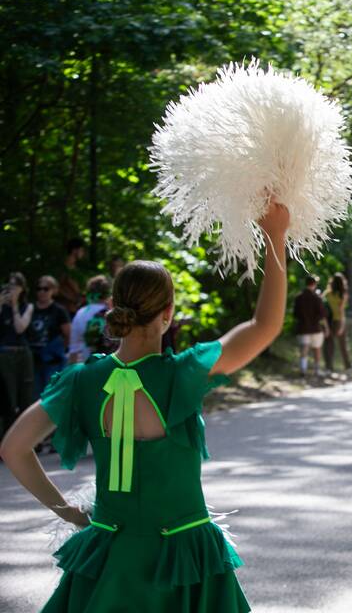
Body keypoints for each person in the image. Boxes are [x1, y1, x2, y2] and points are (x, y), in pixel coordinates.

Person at [0, 199, 290, 613]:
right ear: (168, 314)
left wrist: (68, 512)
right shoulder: (183, 373)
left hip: (109, 552)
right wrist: (275, 236)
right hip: (184, 553)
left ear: (114, 306)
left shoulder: (81, 380)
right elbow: (266, 326)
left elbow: (13, 448)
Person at [0, 273, 34, 438]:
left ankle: (26, 437)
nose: (11, 289)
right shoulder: (1, 307)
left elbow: (20, 328)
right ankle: (7, 438)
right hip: (5, 354)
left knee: (25, 397)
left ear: (22, 288)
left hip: (23, 353)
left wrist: (14, 306)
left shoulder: (27, 306)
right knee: (8, 398)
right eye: (9, 285)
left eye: (15, 285)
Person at [27, 276, 71, 400]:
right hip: (32, 359)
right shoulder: (30, 308)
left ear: (53, 290)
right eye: (39, 288)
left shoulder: (59, 310)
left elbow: (68, 334)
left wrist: (61, 350)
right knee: (34, 395)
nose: (41, 292)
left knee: (51, 393)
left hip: (53, 360)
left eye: (46, 289)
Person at [68, 275, 114, 364]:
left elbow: (74, 346)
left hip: (85, 363)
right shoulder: (112, 313)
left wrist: (71, 370)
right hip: (109, 364)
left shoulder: (81, 313)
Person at [293, 275, 328, 376]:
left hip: (303, 327)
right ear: (315, 284)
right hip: (316, 328)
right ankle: (316, 370)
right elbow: (322, 314)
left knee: (304, 348)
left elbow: (295, 314)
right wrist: (326, 327)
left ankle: (303, 368)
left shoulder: (299, 297)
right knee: (317, 349)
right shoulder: (317, 298)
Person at [323, 272, 352, 373]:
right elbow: (341, 311)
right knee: (343, 345)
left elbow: (322, 307)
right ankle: (348, 366)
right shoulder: (343, 294)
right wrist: (342, 325)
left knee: (328, 345)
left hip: (328, 320)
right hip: (338, 320)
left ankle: (328, 367)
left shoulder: (327, 294)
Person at [55, 238, 89, 317]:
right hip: (64, 310)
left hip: (76, 310)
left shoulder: (75, 269)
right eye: (81, 250)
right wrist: (73, 299)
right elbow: (56, 288)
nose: (83, 253)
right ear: (74, 251)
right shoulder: (63, 268)